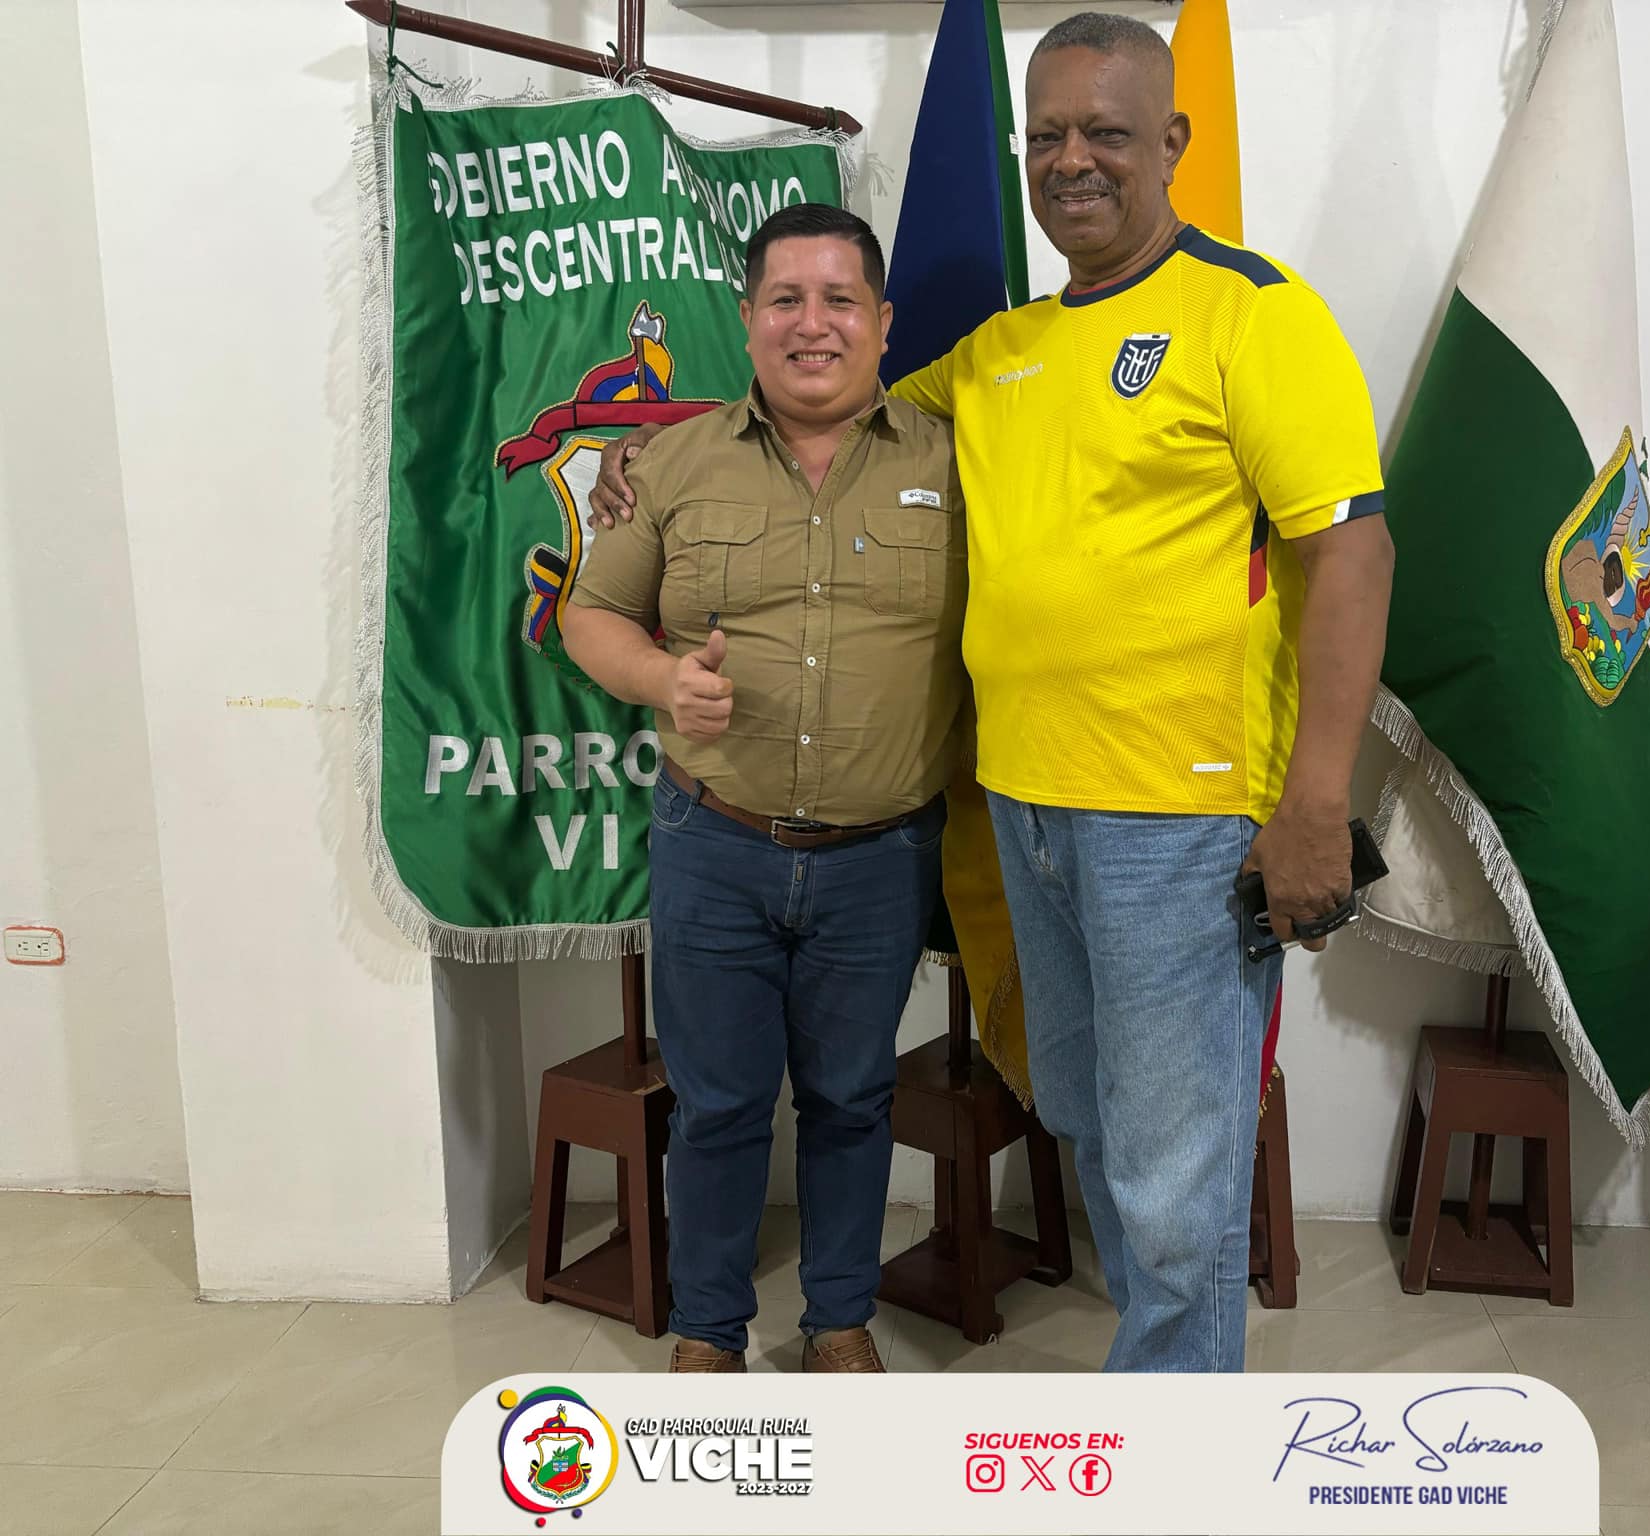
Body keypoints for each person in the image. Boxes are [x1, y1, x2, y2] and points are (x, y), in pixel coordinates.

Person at [591, 11, 1394, 1373]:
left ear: (1172, 142)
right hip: (1023, 812)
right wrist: (651, 444)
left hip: (1179, 821)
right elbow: (828, 409)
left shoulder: (1254, 311)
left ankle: (1174, 1448)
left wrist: (1317, 801)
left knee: (1174, 1166)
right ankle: (1158, 1391)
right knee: (1088, 1114)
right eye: (1049, 135)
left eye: (1107, 133)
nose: (1072, 160)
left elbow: (1352, 553)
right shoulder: (1000, 354)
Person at [559, 203, 967, 1374]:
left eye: (839, 299)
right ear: (746, 321)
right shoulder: (673, 462)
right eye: (785, 299)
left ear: (881, 321)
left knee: (851, 1098)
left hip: (880, 855)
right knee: (719, 1103)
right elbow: (590, 614)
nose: (812, 324)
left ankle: (837, 1318)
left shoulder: (956, 464)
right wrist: (660, 680)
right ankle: (708, 1328)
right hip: (715, 840)